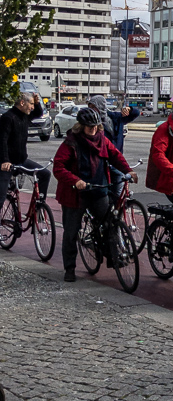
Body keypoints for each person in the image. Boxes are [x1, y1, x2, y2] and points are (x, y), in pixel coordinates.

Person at [53, 107, 137, 282]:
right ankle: (70, 268)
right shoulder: (71, 142)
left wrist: (128, 170)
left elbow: (115, 155)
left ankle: (114, 257)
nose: (93, 130)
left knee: (110, 223)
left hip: (98, 189)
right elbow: (58, 167)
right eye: (89, 127)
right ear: (81, 126)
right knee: (71, 232)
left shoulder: (102, 139)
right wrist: (75, 180)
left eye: (95, 126)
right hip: (76, 193)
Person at [0, 92, 51, 208]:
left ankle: (39, 207)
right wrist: (5, 161)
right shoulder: (8, 117)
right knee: (1, 197)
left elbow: (38, 113)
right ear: (22, 103)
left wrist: (37, 103)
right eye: (31, 104)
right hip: (7, 164)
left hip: (22, 160)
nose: (32, 107)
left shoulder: (25, 116)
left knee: (45, 174)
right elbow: (2, 140)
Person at [87, 94, 141, 203]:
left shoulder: (115, 117)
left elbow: (136, 113)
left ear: (101, 106)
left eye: (94, 107)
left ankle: (115, 205)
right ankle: (112, 205)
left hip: (115, 158)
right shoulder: (92, 123)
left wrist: (129, 108)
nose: (92, 110)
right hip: (101, 161)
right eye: (90, 107)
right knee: (116, 180)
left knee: (119, 183)